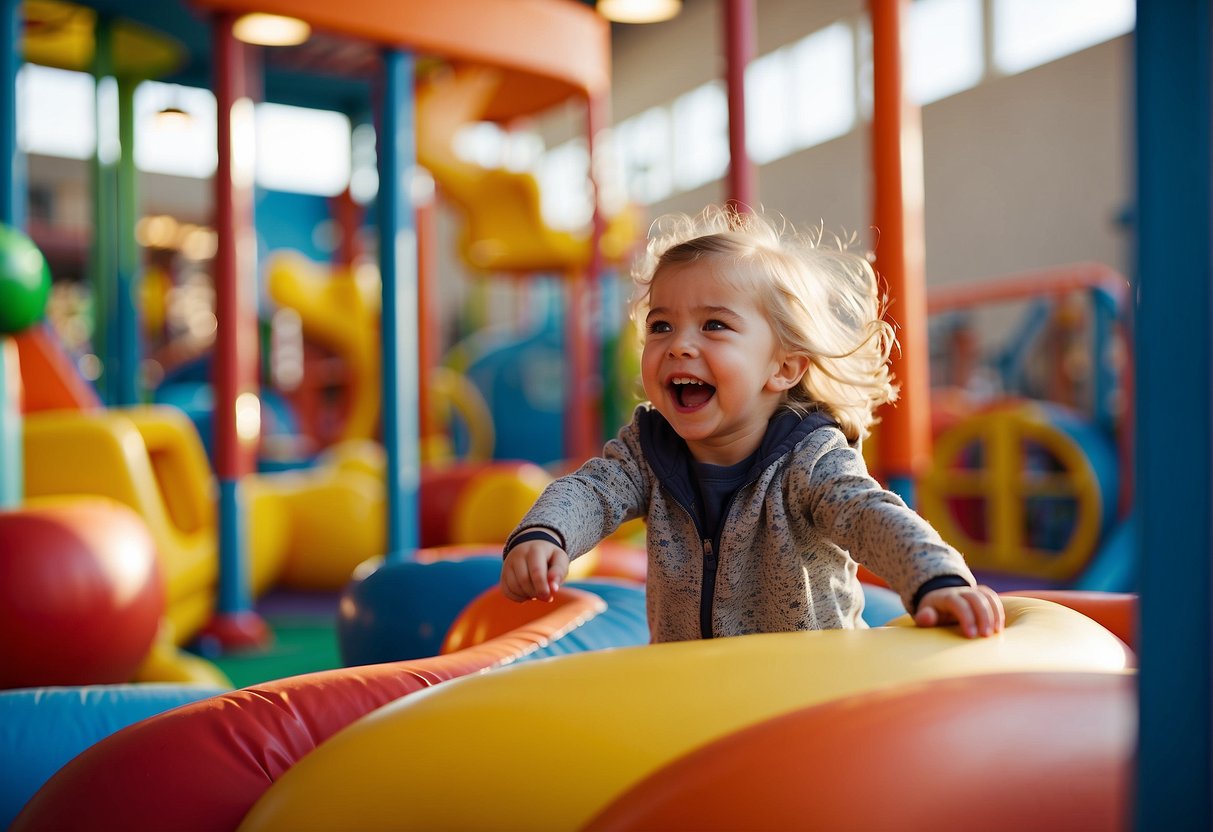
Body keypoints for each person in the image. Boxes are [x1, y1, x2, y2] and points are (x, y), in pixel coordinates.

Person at [500, 206, 1004, 642]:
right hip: (698, 687)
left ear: (782, 367)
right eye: (661, 325)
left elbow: (868, 514)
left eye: (714, 325)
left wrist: (936, 579)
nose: (678, 345)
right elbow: (590, 491)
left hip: (803, 686)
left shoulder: (811, 460)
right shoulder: (648, 452)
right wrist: (546, 534)